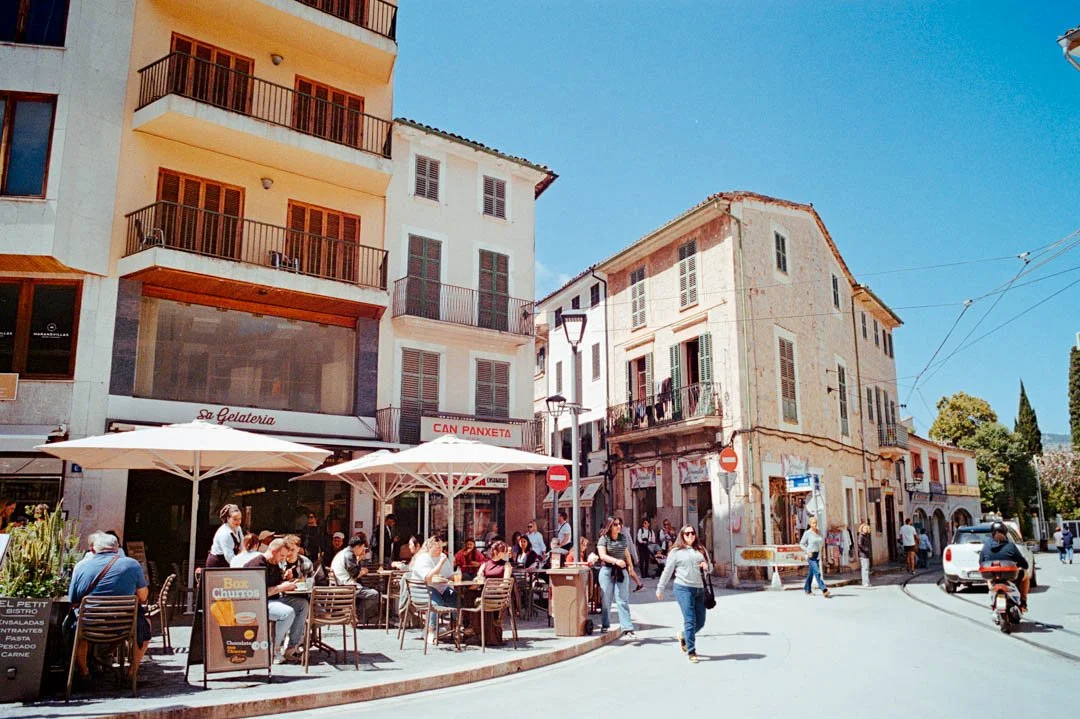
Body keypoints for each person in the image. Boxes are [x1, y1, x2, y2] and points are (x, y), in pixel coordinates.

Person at [68, 533, 151, 679]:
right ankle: (132, 672)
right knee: (146, 626)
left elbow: (73, 599)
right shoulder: (132, 564)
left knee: (73, 630)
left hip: (89, 625)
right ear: (117, 548)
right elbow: (143, 597)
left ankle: (83, 671)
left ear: (93, 550)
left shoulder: (80, 566)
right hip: (123, 626)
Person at [244, 538, 308, 663]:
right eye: (282, 555)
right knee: (287, 612)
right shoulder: (258, 565)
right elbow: (259, 592)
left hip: (273, 599)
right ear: (273, 552)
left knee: (302, 604)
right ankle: (273, 649)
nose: (283, 559)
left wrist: (286, 580)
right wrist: (281, 587)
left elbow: (276, 584)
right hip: (257, 603)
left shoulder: (274, 563)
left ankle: (291, 647)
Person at [656, 525, 711, 663]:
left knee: (701, 622)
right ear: (682, 535)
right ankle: (691, 651)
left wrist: (706, 566)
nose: (691, 535)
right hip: (683, 588)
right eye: (687, 534)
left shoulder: (700, 549)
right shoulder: (676, 552)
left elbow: (710, 568)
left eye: (693, 533)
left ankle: (684, 636)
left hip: (699, 589)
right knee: (690, 619)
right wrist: (660, 588)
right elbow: (667, 571)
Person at [597, 516, 641, 635]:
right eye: (615, 524)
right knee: (606, 599)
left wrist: (631, 566)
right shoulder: (604, 539)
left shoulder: (622, 537)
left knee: (622, 599)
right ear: (609, 526)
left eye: (619, 524)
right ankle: (605, 624)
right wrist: (615, 561)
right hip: (607, 571)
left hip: (621, 571)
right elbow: (602, 555)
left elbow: (626, 553)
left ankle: (627, 627)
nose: (618, 526)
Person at [409, 536, 457, 645]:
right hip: (422, 590)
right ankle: (430, 632)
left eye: (441, 547)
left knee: (455, 598)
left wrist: (455, 576)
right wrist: (440, 563)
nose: (440, 550)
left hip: (441, 588)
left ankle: (455, 628)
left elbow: (449, 576)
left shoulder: (443, 557)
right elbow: (428, 578)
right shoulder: (423, 558)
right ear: (430, 547)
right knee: (436, 603)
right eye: (437, 547)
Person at [978, 521, 1030, 612]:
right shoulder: (1011, 546)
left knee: (988, 580)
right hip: (1010, 577)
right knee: (1026, 576)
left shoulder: (985, 547)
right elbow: (1024, 564)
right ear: (1005, 533)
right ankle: (1023, 602)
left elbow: (981, 562)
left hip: (992, 577)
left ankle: (992, 593)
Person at [329, 537, 380, 623]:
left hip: (340, 584)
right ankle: (357, 617)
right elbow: (355, 574)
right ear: (359, 546)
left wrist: (358, 560)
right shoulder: (349, 555)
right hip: (346, 587)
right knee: (374, 594)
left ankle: (354, 615)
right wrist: (363, 571)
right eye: (363, 548)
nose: (363, 551)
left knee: (365, 589)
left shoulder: (344, 553)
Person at [800, 516, 830, 598]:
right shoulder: (807, 533)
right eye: (813, 523)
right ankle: (824, 589)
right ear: (810, 524)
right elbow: (801, 544)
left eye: (815, 523)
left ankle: (807, 588)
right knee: (817, 572)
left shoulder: (819, 532)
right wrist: (807, 551)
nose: (815, 524)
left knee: (811, 573)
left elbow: (822, 543)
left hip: (817, 554)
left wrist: (822, 553)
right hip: (810, 555)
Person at [207, 504, 243, 568]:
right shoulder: (225, 533)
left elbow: (242, 546)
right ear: (228, 518)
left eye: (240, 519)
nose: (238, 522)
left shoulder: (238, 528)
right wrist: (241, 566)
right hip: (218, 563)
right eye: (235, 519)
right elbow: (229, 557)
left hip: (230, 561)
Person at [857, 523, 872, 588]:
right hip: (863, 554)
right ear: (862, 529)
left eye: (866, 528)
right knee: (865, 569)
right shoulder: (861, 536)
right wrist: (865, 549)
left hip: (866, 554)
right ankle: (865, 582)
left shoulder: (866, 536)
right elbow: (859, 544)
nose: (866, 530)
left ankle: (867, 582)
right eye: (864, 528)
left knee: (866, 569)